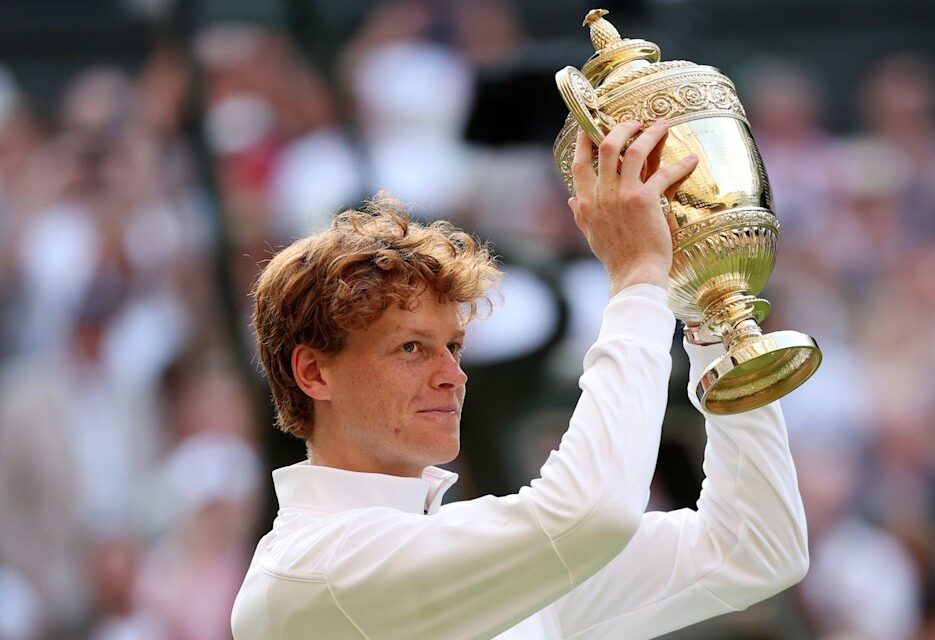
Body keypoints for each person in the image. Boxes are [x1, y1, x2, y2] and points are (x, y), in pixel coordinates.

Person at [231, 120, 811, 639]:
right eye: (411, 347)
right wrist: (639, 277)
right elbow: (593, 516)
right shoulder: (311, 573)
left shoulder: (479, 549)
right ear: (313, 372)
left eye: (453, 346)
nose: (452, 375)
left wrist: (712, 314)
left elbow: (753, 550)